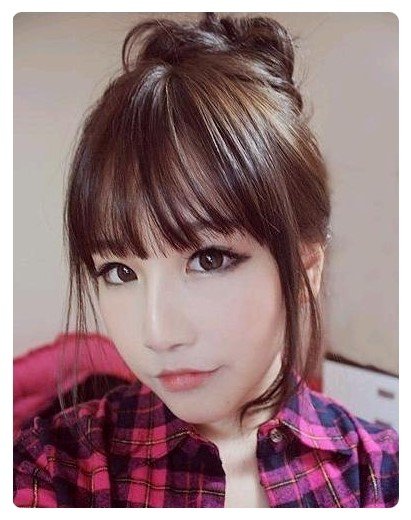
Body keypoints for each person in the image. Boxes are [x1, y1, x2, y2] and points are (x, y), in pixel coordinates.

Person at [13, 13, 398, 508]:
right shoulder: (55, 467)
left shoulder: (382, 476)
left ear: (306, 268)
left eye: (209, 259)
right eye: (120, 272)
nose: (157, 334)